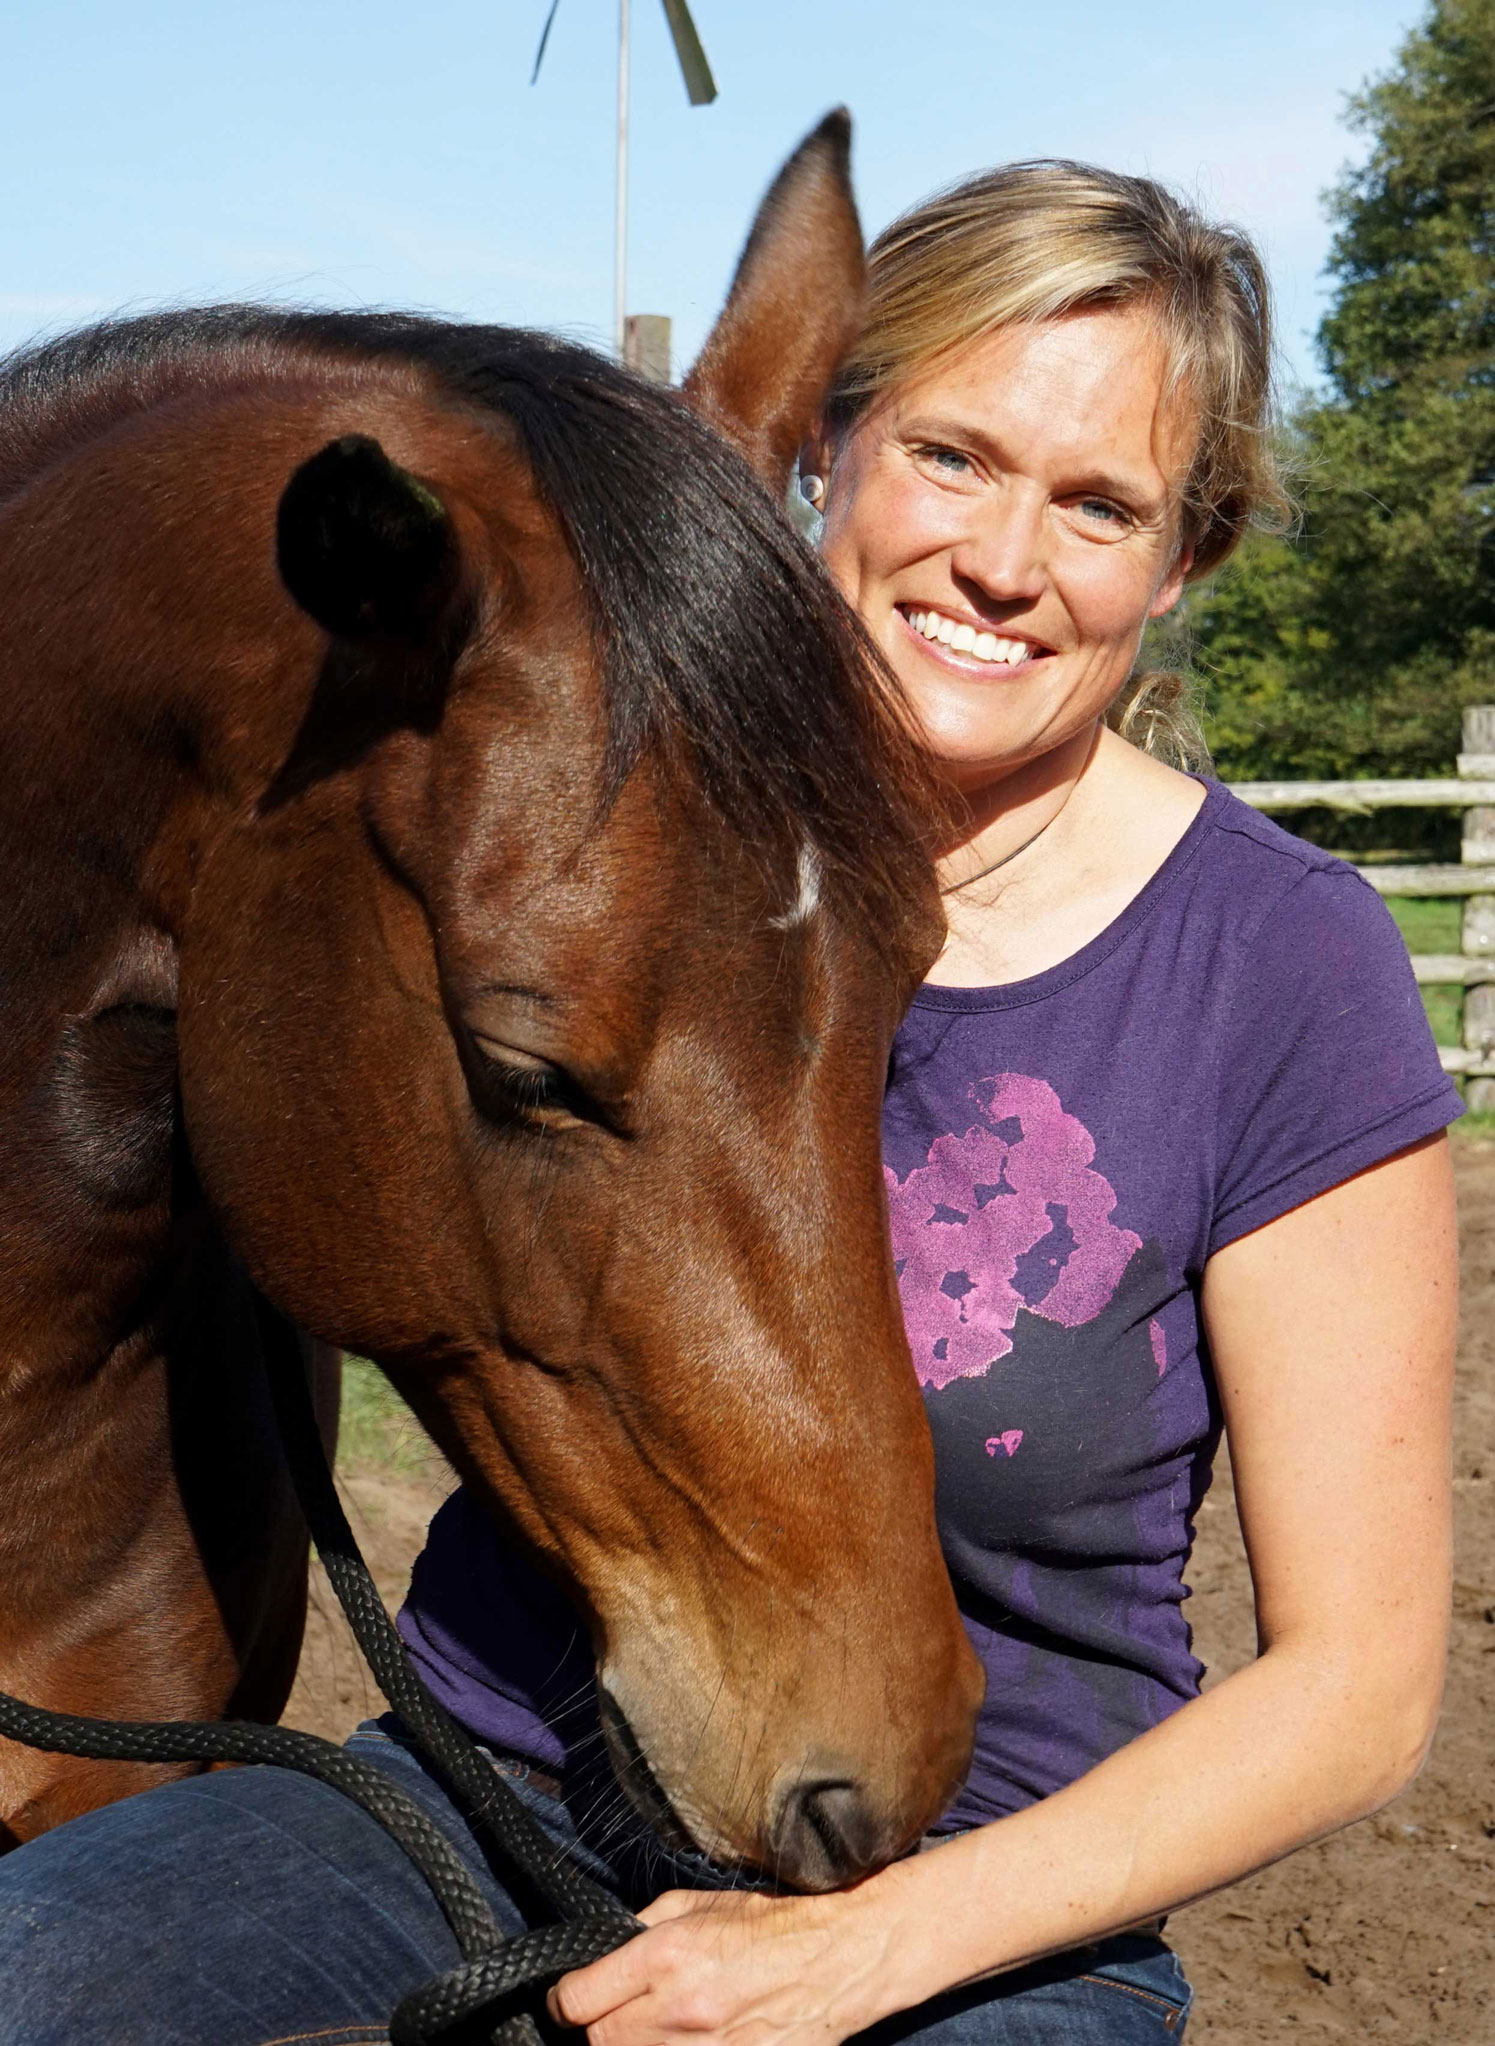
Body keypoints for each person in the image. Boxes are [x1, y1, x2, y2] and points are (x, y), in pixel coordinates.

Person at [0, 165, 1458, 2046]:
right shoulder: (603, 834)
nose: (1007, 560)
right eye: (951, 455)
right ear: (824, 454)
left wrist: (870, 1947)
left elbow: (1361, 1685)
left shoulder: (1279, 966)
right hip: (479, 1783)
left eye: (1099, 505)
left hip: (984, 1892)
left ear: (1180, 566)